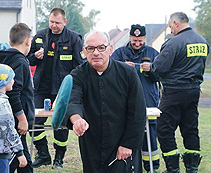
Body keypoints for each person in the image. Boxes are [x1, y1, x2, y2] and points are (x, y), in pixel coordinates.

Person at [65, 30, 146, 172]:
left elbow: (138, 111)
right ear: (84, 51)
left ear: (110, 49)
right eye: (90, 48)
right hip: (92, 143)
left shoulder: (127, 73)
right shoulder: (78, 74)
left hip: (122, 143)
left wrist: (128, 144)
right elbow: (73, 99)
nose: (96, 52)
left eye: (101, 48)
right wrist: (77, 119)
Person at [141, 12, 210, 172]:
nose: (170, 29)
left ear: (176, 23)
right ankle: (192, 168)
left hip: (174, 93)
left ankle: (173, 169)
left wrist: (150, 67)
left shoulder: (173, 43)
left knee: (164, 129)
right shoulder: (202, 42)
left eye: (171, 26)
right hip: (194, 92)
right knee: (190, 129)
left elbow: (160, 68)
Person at [27, 7, 84, 169]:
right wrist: (35, 57)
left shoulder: (73, 39)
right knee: (34, 122)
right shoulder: (39, 37)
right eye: (52, 22)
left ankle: (59, 158)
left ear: (64, 22)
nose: (54, 25)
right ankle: (43, 154)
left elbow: (80, 66)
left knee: (61, 124)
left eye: (57, 23)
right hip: (41, 88)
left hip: (62, 90)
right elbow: (29, 59)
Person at [111, 24, 160, 173]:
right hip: (124, 101)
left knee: (150, 135)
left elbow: (161, 75)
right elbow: (109, 72)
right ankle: (125, 164)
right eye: (134, 40)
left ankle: (152, 167)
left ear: (144, 38)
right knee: (125, 131)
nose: (137, 43)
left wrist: (151, 69)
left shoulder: (153, 53)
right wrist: (121, 66)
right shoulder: (119, 53)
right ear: (130, 38)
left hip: (148, 100)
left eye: (140, 40)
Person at [0, 23, 35, 173]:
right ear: (28, 41)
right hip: (16, 121)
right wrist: (22, 119)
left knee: (20, 160)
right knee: (20, 161)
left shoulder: (7, 59)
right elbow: (13, 93)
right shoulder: (19, 62)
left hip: (11, 120)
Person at [0, 63, 27, 173]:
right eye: (12, 78)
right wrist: (20, 153)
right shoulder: (1, 104)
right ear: (4, 81)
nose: (14, 81)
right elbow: (9, 130)